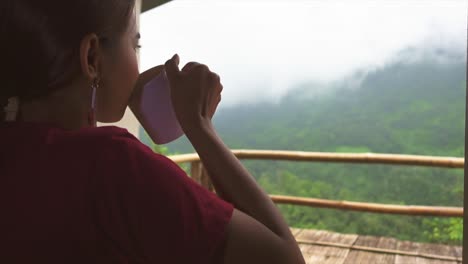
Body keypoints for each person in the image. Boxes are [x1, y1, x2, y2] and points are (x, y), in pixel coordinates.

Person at [0, 1, 305, 263]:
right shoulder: (111, 164)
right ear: (92, 58)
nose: (138, 58)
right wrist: (199, 126)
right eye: (135, 44)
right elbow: (283, 259)